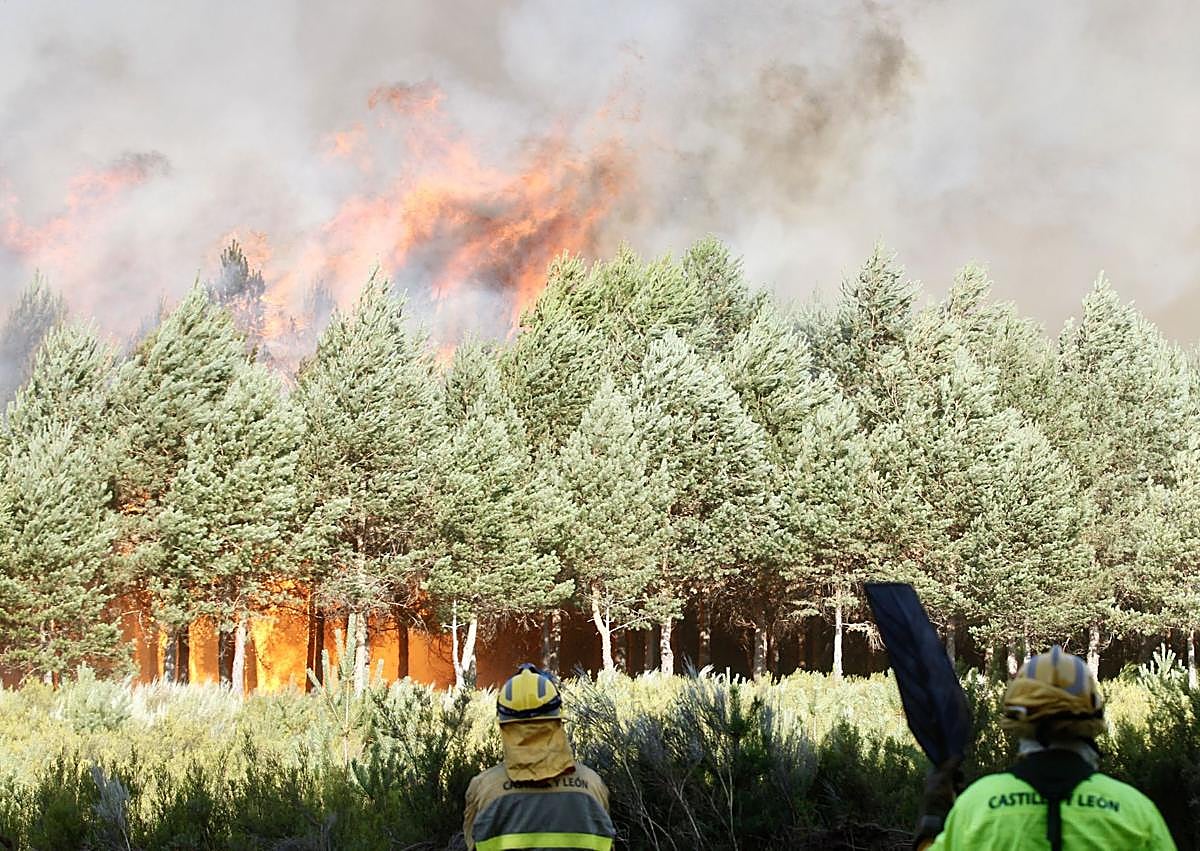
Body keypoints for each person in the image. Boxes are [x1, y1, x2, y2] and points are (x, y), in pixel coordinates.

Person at [915, 645, 1176, 850]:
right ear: (1094, 720)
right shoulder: (1135, 810)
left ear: (1016, 722)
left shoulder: (977, 804)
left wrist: (932, 823)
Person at [463, 663, 616, 851]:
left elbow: (472, 844)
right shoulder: (591, 785)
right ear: (558, 718)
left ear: (503, 723)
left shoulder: (485, 789)